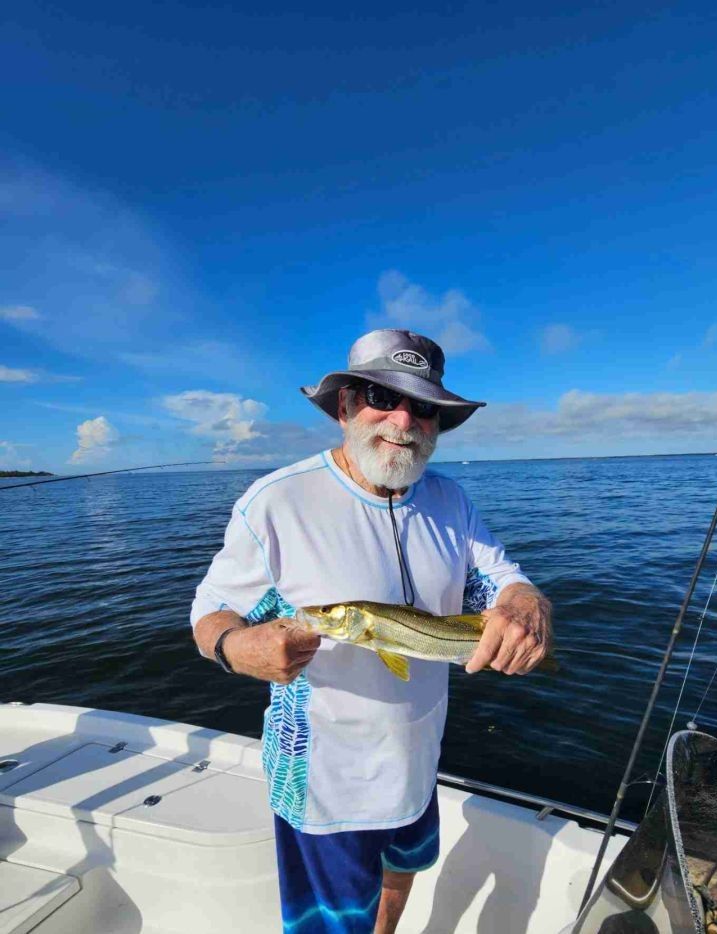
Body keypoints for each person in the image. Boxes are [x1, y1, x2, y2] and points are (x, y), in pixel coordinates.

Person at [190, 328, 553, 934]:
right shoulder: (276, 501)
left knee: (397, 878)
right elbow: (211, 612)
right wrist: (236, 645)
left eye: (425, 406)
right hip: (322, 781)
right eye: (381, 397)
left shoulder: (451, 500)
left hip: (417, 760)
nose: (403, 419)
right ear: (344, 407)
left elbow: (502, 580)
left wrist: (527, 606)